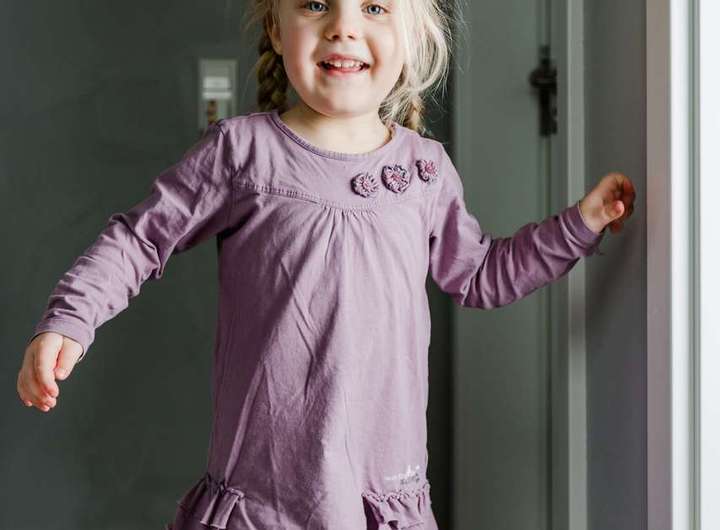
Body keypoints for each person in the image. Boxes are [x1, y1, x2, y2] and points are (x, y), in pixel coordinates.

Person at [16, 1, 637, 529]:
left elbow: (480, 275)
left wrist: (579, 224)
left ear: (412, 36)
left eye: (374, 7)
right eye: (315, 3)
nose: (342, 25)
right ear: (276, 26)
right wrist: (71, 317)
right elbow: (138, 238)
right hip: (263, 502)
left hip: (381, 500)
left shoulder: (425, 171)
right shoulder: (242, 153)